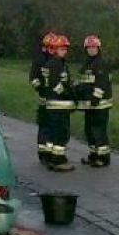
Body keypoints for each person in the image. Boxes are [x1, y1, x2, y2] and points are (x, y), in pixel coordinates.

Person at [38, 34, 76, 171]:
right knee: (61, 133)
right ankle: (58, 160)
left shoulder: (56, 63)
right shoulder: (56, 65)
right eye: (61, 49)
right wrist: (69, 93)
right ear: (54, 50)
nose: (64, 52)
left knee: (54, 132)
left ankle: (52, 158)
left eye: (65, 49)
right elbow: (56, 85)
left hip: (54, 105)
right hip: (58, 105)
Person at [75, 34, 113, 167]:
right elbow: (83, 83)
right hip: (89, 105)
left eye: (94, 47)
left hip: (100, 105)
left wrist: (96, 98)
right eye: (89, 47)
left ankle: (103, 158)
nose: (91, 49)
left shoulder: (100, 64)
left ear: (98, 48)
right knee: (89, 131)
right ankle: (93, 155)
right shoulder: (86, 65)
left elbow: (101, 84)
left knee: (99, 131)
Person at [29, 32, 56, 166]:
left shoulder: (57, 61)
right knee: (45, 127)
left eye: (53, 47)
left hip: (56, 101)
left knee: (53, 128)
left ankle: (51, 153)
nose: (52, 50)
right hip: (45, 100)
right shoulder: (39, 60)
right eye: (50, 47)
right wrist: (41, 89)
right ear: (44, 47)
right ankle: (43, 154)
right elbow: (33, 79)